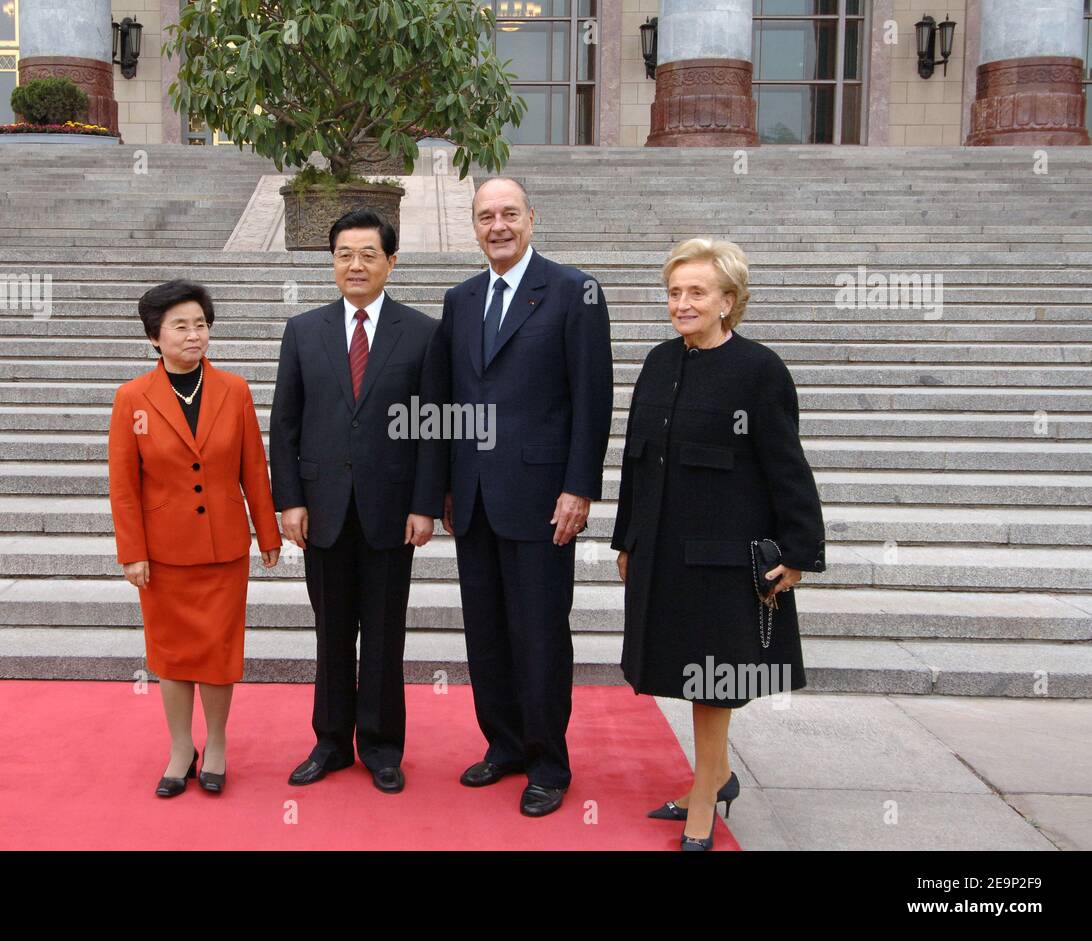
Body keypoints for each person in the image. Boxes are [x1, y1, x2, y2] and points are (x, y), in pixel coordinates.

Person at [612, 237, 826, 850]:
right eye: (674, 292)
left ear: (728, 301)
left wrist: (799, 551)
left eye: (696, 292)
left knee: (714, 677)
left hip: (725, 556)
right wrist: (627, 538)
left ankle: (705, 792)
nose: (682, 303)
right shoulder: (658, 361)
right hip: (662, 549)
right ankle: (720, 773)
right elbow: (635, 460)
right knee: (684, 670)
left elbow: (788, 466)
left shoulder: (759, 370)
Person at [427, 178, 613, 817]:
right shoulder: (461, 299)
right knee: (486, 633)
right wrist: (448, 484)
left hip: (542, 498)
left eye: (509, 213)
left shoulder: (573, 292)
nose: (498, 225)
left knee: (539, 633)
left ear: (532, 218)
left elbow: (593, 399)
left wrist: (579, 487)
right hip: (474, 499)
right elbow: (451, 402)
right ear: (474, 227)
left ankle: (547, 762)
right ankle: (503, 744)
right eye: (486, 216)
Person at [269, 210, 445, 794]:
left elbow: (433, 427)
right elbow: (285, 423)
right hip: (322, 510)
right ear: (332, 262)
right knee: (332, 631)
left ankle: (381, 746)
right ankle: (330, 741)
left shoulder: (421, 333)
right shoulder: (303, 331)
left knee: (385, 633)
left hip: (392, 513)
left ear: (391, 261)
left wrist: (425, 504)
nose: (356, 264)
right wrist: (288, 501)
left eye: (369, 253)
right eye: (345, 253)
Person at [107, 279, 282, 798]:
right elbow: (123, 485)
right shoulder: (132, 398)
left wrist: (266, 531)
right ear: (155, 338)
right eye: (180, 326)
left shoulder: (234, 390)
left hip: (224, 547)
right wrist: (132, 552)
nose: (193, 335)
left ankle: (219, 744)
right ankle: (181, 747)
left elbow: (254, 465)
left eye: (200, 325)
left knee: (218, 651)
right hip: (163, 554)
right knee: (172, 654)